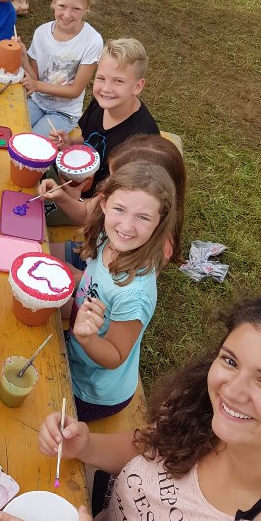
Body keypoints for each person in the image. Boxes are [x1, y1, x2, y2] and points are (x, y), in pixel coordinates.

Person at [0, 296, 261, 521]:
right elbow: (150, 448)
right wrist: (85, 446)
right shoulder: (203, 412)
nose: (232, 391)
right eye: (230, 361)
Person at [66, 162, 176, 422]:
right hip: (76, 352)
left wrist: (85, 338)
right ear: (104, 203)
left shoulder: (134, 295)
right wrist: (70, 281)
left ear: (160, 222)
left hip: (92, 391)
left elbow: (115, 355)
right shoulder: (109, 239)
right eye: (120, 209)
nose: (127, 226)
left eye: (143, 217)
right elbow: (95, 282)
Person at [42, 134, 187, 264]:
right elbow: (86, 213)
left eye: (114, 178)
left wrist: (75, 275)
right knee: (40, 250)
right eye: (110, 175)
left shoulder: (153, 252)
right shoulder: (114, 197)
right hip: (92, 252)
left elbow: (104, 282)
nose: (106, 183)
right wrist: (62, 198)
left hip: (98, 276)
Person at [48, 37, 160, 197]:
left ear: (137, 86)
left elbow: (124, 197)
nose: (106, 88)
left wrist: (72, 199)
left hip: (100, 200)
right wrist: (70, 144)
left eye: (118, 81)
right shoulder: (102, 102)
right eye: (101, 78)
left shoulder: (140, 139)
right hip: (75, 181)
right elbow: (87, 139)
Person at [20, 0, 103, 137]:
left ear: (87, 7)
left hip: (64, 113)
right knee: (12, 131)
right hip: (37, 102)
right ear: (54, 1)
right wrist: (22, 57)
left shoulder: (92, 41)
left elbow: (75, 91)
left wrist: (37, 86)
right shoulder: (41, 33)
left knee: (32, 143)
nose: (67, 15)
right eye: (62, 6)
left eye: (76, 9)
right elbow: (35, 78)